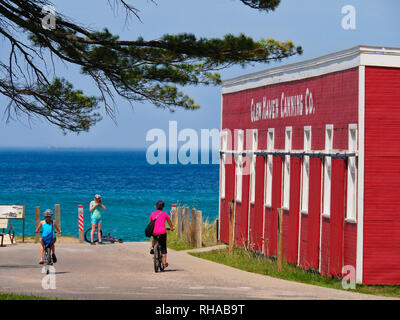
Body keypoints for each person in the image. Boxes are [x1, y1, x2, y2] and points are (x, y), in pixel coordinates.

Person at [149, 200, 174, 269]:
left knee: (155, 238)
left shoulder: (152, 214)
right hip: (162, 232)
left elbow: (151, 222)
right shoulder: (165, 214)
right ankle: (164, 263)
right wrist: (171, 228)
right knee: (163, 248)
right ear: (163, 207)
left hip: (154, 232)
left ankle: (152, 247)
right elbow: (169, 222)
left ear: (156, 206)